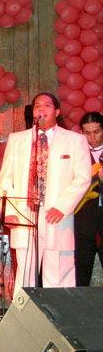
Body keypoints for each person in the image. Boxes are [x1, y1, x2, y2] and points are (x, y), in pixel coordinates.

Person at [0, 93, 91, 290]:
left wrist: (62, 207)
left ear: (57, 112)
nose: (41, 109)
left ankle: (58, 311)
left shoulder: (75, 140)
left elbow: (83, 178)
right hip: (25, 214)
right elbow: (6, 178)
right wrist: (10, 212)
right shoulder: (17, 140)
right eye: (37, 106)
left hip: (56, 215)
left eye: (47, 105)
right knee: (25, 274)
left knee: (58, 272)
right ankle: (24, 310)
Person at [74, 111, 103, 286]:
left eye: (97, 132)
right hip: (83, 221)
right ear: (81, 133)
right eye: (87, 133)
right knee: (81, 274)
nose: (92, 137)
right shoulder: (77, 154)